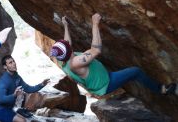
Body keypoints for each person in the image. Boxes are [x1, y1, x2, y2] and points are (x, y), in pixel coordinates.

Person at [50, 13, 178, 97]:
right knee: (135, 71)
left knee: (130, 73)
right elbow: (96, 50)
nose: (66, 43)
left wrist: (65, 26)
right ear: (69, 52)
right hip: (106, 84)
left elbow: (67, 43)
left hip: (101, 79)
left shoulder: (64, 60)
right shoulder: (75, 62)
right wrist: (95, 23)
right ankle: (162, 89)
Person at [0, 55, 50, 122]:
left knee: (27, 118)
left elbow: (28, 88)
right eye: (10, 63)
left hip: (7, 108)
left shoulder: (16, 76)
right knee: (22, 120)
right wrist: (14, 95)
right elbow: (1, 99)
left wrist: (41, 85)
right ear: (5, 67)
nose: (14, 63)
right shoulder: (3, 81)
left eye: (13, 61)